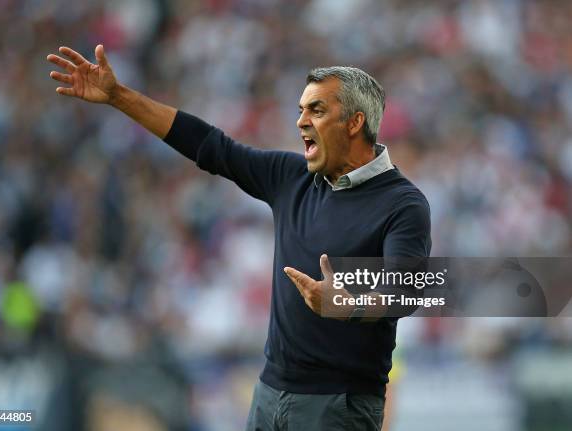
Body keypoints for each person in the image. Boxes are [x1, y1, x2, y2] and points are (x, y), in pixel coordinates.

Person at [47, 44, 431, 431]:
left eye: (316, 111)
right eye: (301, 110)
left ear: (353, 123)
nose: (301, 122)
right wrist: (119, 97)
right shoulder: (291, 177)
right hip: (268, 394)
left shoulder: (401, 203)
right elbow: (210, 147)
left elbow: (410, 290)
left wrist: (346, 304)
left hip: (338, 404)